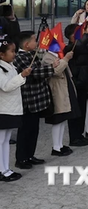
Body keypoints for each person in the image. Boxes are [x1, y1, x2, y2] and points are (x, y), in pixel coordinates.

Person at [13, 31, 56, 170]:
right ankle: (21, 158)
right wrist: (52, 68)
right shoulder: (20, 58)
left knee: (34, 129)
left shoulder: (32, 54)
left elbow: (38, 68)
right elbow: (34, 73)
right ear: (26, 44)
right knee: (25, 130)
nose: (36, 43)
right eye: (34, 40)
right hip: (28, 100)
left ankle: (30, 155)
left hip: (37, 99)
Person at [0, 37, 31, 182]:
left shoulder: (10, 65)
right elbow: (6, 86)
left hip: (10, 108)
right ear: (1, 54)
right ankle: (2, 170)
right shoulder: (0, 68)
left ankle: (6, 168)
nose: (14, 54)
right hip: (3, 110)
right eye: (11, 51)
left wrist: (20, 76)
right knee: (1, 140)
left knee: (6, 140)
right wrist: (21, 76)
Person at [43, 47, 77, 157]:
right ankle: (56, 147)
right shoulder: (47, 58)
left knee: (63, 118)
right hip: (56, 91)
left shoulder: (59, 55)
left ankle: (60, 144)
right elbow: (56, 71)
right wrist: (66, 59)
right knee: (57, 119)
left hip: (64, 89)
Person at [64, 25, 88, 147]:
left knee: (82, 109)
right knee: (75, 112)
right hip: (75, 81)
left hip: (84, 80)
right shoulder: (70, 48)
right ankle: (74, 137)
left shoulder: (82, 46)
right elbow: (80, 45)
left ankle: (80, 134)